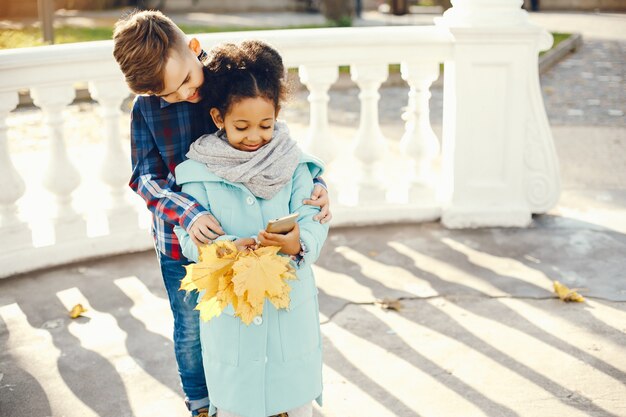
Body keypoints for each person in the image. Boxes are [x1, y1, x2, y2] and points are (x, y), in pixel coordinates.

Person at [112, 11, 331, 417]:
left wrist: (316, 185)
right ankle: (202, 404)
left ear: (194, 51)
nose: (180, 96)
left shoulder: (229, 79)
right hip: (184, 241)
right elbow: (146, 176)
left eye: (184, 83)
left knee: (253, 318)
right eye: (167, 94)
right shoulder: (148, 106)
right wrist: (189, 213)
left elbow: (276, 145)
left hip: (249, 233)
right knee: (194, 327)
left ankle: (262, 394)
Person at [173, 40, 329, 417]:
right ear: (218, 119)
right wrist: (225, 248)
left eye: (266, 124)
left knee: (294, 397)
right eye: (241, 126)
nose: (255, 136)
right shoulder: (198, 171)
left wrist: (298, 243)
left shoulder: (293, 162)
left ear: (277, 115)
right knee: (236, 402)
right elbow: (188, 234)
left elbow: (313, 215)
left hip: (286, 302)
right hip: (232, 305)